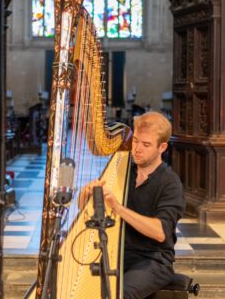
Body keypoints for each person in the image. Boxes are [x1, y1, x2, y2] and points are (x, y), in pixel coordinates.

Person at [79, 111, 185, 299]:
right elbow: (85, 212)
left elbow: (160, 232)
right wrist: (86, 194)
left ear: (162, 147)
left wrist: (118, 208)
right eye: (135, 141)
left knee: (118, 294)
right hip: (118, 253)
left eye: (146, 145)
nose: (137, 149)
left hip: (153, 261)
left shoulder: (170, 183)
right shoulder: (123, 170)